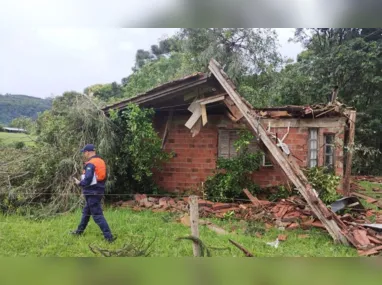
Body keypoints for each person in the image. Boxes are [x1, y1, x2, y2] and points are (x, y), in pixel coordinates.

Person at [71, 144, 116, 243]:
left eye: (84, 152)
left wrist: (79, 183)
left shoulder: (91, 163)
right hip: (98, 191)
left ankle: (109, 238)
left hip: (92, 192)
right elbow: (104, 177)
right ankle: (79, 232)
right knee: (86, 213)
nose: (84, 154)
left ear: (88, 152)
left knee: (97, 215)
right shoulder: (101, 161)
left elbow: (88, 179)